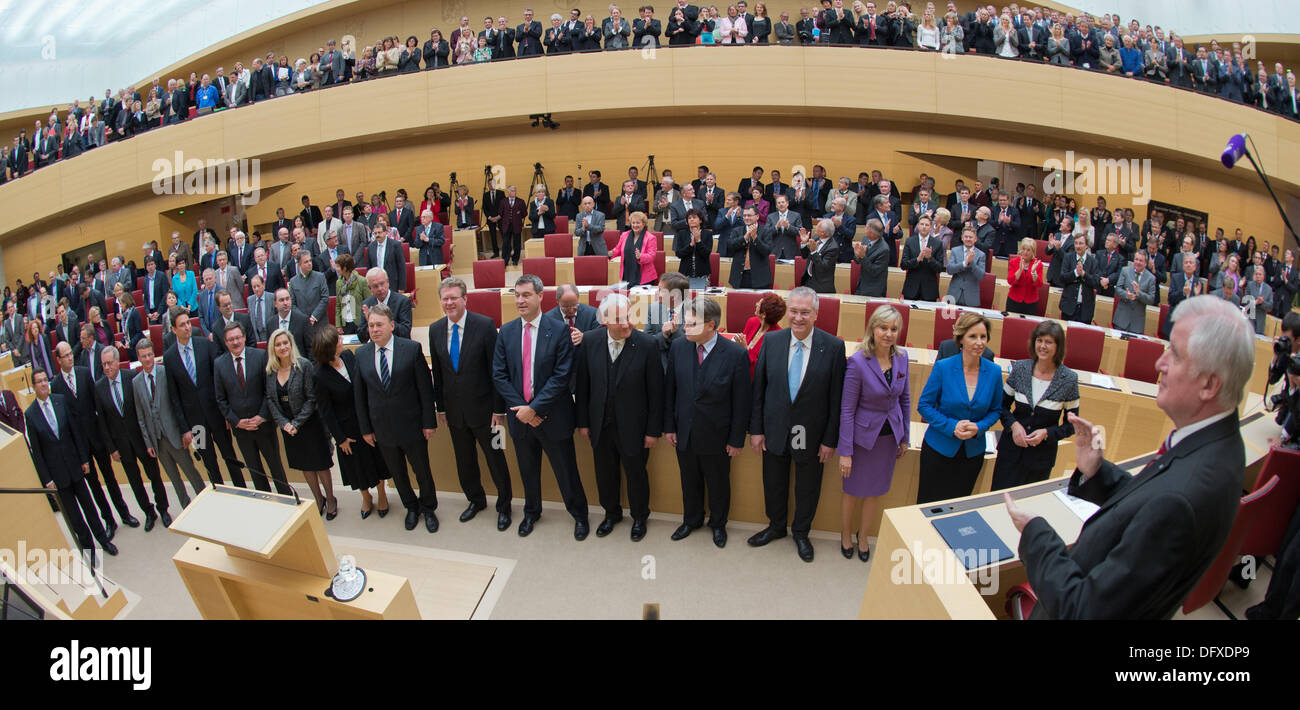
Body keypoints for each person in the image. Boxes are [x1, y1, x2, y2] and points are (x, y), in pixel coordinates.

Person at [1005, 296, 1254, 619]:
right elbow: (1151, 504)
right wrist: (1098, 473)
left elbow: (1085, 611)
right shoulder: (1218, 444)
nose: (1159, 363)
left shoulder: (1184, 498)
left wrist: (1036, 533)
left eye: (1174, 354)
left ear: (1209, 384)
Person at [748, 288, 845, 562]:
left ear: (816, 313)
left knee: (807, 486)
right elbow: (759, 391)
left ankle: (801, 533)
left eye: (805, 312)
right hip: (775, 427)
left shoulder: (834, 347)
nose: (798, 318)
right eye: (794, 311)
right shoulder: (772, 341)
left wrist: (829, 439)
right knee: (774, 482)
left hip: (811, 433)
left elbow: (836, 399)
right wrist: (756, 429)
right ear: (787, 311)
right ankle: (776, 526)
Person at [492, 275, 589, 539]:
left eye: (526, 295)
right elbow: (499, 375)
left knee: (566, 472)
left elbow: (562, 375)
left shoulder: (558, 330)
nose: (520, 300)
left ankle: (579, 515)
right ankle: (531, 512)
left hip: (552, 417)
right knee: (528, 471)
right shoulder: (507, 331)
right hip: (520, 419)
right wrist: (522, 409)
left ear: (540, 296)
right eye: (517, 295)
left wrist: (535, 409)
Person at [573, 293, 663, 540]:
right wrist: (583, 422)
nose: (626, 324)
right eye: (618, 320)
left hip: (635, 427)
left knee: (636, 474)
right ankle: (611, 514)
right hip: (599, 426)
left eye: (627, 317)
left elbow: (657, 393)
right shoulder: (590, 341)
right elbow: (583, 387)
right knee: (605, 473)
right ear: (603, 321)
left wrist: (653, 431)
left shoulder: (647, 345)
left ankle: (639, 517)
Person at [664, 297, 751, 548]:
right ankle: (691, 520)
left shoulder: (735, 355)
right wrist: (669, 426)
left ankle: (718, 524)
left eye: (692, 324)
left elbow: (741, 402)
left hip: (718, 434)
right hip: (685, 432)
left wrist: (736, 439)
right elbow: (671, 390)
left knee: (718, 482)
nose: (685, 328)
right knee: (688, 479)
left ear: (711, 325)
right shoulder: (679, 347)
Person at [426, 277, 512, 529]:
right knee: (464, 461)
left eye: (454, 297)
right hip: (455, 413)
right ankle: (476, 500)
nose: (449, 302)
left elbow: (497, 371)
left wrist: (499, 409)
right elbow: (439, 374)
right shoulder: (434, 329)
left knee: (497, 459)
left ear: (465, 299)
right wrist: (440, 407)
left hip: (488, 414)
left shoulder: (485, 326)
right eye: (445, 298)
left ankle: (504, 505)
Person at [355, 304, 439, 532]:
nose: (374, 329)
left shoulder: (411, 349)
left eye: (379, 325)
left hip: (412, 427)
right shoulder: (361, 354)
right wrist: (365, 429)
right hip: (382, 430)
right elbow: (360, 397)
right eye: (371, 325)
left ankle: (429, 508)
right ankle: (411, 507)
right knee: (398, 475)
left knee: (422, 471)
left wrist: (428, 422)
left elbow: (424, 390)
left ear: (391, 326)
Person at [838, 304, 909, 561]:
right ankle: (846, 534)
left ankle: (863, 535)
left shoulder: (902, 358)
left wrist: (905, 437)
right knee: (853, 491)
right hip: (861, 440)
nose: (888, 334)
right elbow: (847, 409)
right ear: (872, 329)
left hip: (889, 438)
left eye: (893, 329)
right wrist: (845, 451)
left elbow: (905, 400)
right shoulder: (858, 362)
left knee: (874, 492)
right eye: (883, 328)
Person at [25, 369, 117, 557]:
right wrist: (47, 479)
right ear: (34, 386)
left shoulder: (60, 401)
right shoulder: (31, 414)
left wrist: (84, 458)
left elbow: (75, 432)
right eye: (39, 382)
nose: (44, 384)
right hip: (57, 475)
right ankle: (89, 550)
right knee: (75, 516)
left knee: (89, 507)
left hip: (76, 466)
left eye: (45, 380)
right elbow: (37, 452)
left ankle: (104, 540)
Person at [50, 341, 138, 535]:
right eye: (65, 356)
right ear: (58, 360)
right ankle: (109, 521)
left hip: (97, 438)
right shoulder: (55, 385)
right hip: (80, 446)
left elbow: (97, 405)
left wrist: (107, 439)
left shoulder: (83, 373)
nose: (70, 357)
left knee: (110, 478)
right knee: (94, 485)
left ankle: (124, 513)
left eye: (70, 354)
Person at [916, 312, 1003, 503]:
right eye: (973, 336)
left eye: (983, 337)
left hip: (972, 453)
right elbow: (924, 405)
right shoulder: (943, 367)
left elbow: (996, 410)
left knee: (957, 508)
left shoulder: (994, 372)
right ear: (961, 338)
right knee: (928, 505)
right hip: (939, 448)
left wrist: (979, 427)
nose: (979, 342)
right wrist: (951, 426)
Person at [311, 324, 390, 519]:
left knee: (376, 461)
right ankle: (366, 498)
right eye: (338, 340)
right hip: (347, 432)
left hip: (366, 421)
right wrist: (340, 439)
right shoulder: (319, 375)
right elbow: (326, 412)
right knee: (357, 468)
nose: (342, 341)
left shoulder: (348, 356)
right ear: (329, 347)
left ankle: (382, 495)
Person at [991, 320, 1079, 491]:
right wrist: (1014, 425)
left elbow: (1072, 425)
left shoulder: (1069, 379)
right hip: (1010, 453)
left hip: (1040, 460)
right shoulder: (1020, 369)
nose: (1043, 346)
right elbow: (1000, 406)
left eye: (1048, 342)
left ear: (1058, 346)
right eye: (1039, 340)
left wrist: (1047, 433)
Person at [94, 346, 171, 531]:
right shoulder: (99, 387)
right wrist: (112, 449)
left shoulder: (132, 377)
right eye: (103, 364)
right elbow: (102, 423)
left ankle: (163, 509)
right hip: (122, 445)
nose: (107, 367)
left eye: (110, 363)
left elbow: (144, 409)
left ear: (117, 361)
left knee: (154, 476)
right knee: (135, 482)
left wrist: (149, 437)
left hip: (141, 439)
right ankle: (149, 513)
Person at [213, 322, 292, 495]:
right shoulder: (219, 364)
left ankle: (286, 499)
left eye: (238, 338)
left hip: (264, 425)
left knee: (276, 467)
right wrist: (236, 422)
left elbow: (269, 391)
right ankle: (265, 500)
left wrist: (262, 416)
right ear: (225, 342)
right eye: (231, 339)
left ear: (244, 337)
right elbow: (221, 399)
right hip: (242, 430)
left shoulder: (260, 356)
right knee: (255, 470)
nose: (235, 342)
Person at [265, 328, 336, 517]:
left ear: (291, 344)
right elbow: (270, 400)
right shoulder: (271, 370)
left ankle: (330, 499)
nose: (282, 347)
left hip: (309, 425)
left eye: (285, 343)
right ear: (273, 348)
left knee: (320, 465)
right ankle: (318, 498)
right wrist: (284, 424)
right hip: (288, 429)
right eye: (278, 344)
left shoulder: (304, 366)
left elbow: (312, 399)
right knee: (305, 466)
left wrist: (296, 423)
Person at [131, 338, 205, 509]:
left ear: (154, 355)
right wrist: (148, 442)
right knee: (174, 479)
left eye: (150, 354)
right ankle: (186, 508)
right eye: (143, 356)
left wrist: (185, 431)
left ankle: (204, 504)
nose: (148, 359)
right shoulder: (135, 383)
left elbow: (177, 403)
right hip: (158, 440)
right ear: (139, 358)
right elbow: (141, 417)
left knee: (191, 473)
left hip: (175, 435)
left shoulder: (165, 373)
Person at [357, 268, 413, 344]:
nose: (380, 288)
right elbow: (362, 338)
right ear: (370, 288)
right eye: (375, 286)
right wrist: (369, 323)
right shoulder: (367, 304)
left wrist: (385, 320)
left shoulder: (403, 301)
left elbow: (405, 333)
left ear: (388, 282)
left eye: (382, 284)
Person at [900, 214, 944, 301]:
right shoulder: (910, 241)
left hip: (929, 290)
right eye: (922, 224)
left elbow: (940, 268)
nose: (924, 227)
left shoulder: (937, 243)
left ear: (931, 227)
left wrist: (930, 259)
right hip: (911, 288)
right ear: (918, 226)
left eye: (927, 225)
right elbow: (903, 265)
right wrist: (917, 260)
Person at [728, 206, 774, 289]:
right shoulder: (737, 230)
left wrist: (755, 238)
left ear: (757, 216)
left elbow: (767, 251)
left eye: (749, 215)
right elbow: (730, 247)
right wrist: (745, 238)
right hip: (739, 277)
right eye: (744, 215)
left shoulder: (766, 231)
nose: (746, 218)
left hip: (760, 278)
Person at [611, 211, 659, 286]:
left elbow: (652, 256)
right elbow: (618, 249)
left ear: (643, 224)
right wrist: (610, 253)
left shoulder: (651, 238)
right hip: (627, 274)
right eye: (633, 223)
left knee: (642, 298)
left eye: (638, 223)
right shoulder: (624, 235)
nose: (635, 225)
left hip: (645, 277)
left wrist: (641, 256)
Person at [742, 292, 785, 374]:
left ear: (764, 314)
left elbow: (764, 368)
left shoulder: (777, 337)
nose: (756, 304)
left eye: (759, 304)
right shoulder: (752, 322)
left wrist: (745, 350)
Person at [1058, 234, 1096, 324]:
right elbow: (1062, 278)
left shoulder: (1093, 261)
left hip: (1085, 309)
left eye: (1081, 243)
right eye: (1076, 243)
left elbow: (1096, 281)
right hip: (1068, 306)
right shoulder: (1068, 257)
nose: (1078, 246)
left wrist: (1083, 274)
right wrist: (1075, 273)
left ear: (1086, 246)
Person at [945, 224, 986, 308]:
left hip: (971, 296)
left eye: (970, 237)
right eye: (966, 237)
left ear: (975, 239)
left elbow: (981, 275)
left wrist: (972, 263)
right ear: (962, 238)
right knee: (949, 319)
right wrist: (964, 263)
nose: (968, 239)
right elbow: (949, 270)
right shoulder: (955, 251)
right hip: (954, 294)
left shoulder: (981, 255)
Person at [674, 209, 713, 290]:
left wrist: (698, 241)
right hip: (685, 273)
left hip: (703, 273)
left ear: (700, 220)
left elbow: (706, 254)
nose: (691, 219)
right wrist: (690, 245)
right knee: (685, 298)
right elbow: (678, 254)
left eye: (694, 217)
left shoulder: (707, 234)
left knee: (701, 300)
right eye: (689, 218)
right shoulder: (681, 233)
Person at [1006, 237, 1045, 315]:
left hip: (1031, 303)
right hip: (1014, 301)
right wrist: (1020, 270)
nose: (1025, 252)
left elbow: (1039, 284)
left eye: (1028, 250)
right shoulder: (1014, 262)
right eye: (1023, 249)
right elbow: (1010, 281)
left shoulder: (1038, 264)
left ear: (1033, 252)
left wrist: (1033, 272)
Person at [497, 185, 527, 266]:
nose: (514, 192)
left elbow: (524, 213)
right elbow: (500, 213)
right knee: (506, 243)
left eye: (515, 191)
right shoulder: (503, 201)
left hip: (516, 225)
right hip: (506, 225)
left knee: (517, 243)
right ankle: (505, 260)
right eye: (513, 191)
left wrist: (518, 215)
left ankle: (515, 259)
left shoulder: (521, 201)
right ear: (509, 192)